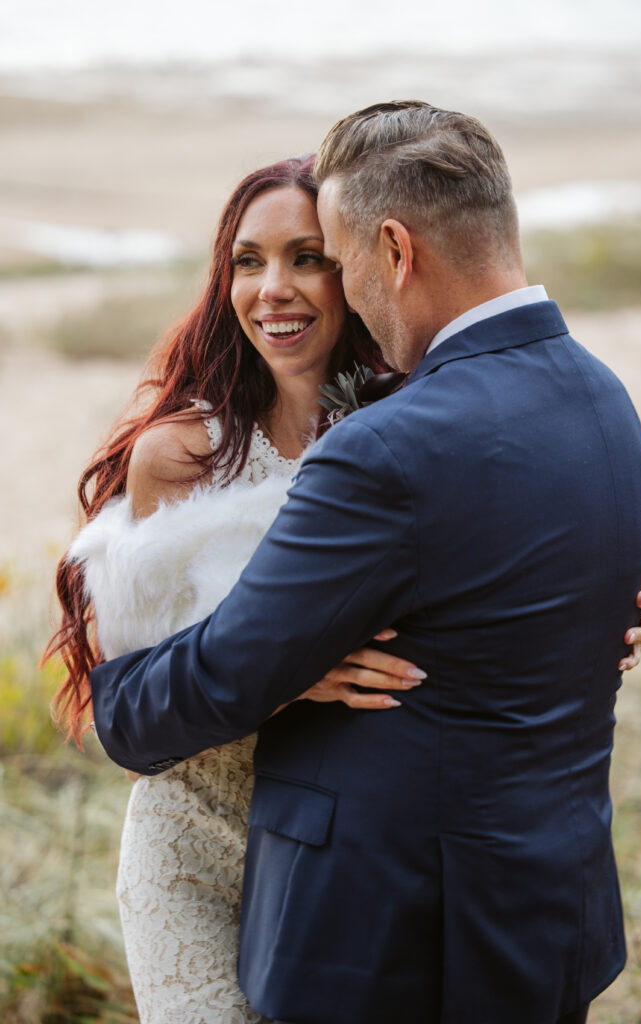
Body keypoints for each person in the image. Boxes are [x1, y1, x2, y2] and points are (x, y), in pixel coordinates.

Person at [86, 102, 641, 1024]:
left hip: (385, 923)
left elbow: (221, 671)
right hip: (540, 912)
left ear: (391, 250)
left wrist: (132, 706)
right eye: (247, 260)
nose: (299, 288)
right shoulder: (602, 400)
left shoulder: (385, 445)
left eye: (326, 258)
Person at [45, 156, 427, 1024]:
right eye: (248, 261)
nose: (274, 289)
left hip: (348, 856)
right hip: (193, 846)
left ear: (356, 268)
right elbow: (138, 701)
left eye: (306, 257)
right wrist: (280, 676)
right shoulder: (181, 458)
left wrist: (611, 602)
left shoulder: (410, 429)